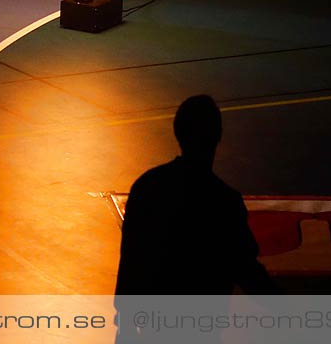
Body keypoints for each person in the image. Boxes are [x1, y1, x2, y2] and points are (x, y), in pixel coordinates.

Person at [114, 95, 277, 323]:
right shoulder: (225, 202)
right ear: (218, 134)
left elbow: (131, 263)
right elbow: (248, 271)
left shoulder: (146, 186)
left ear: (177, 132)